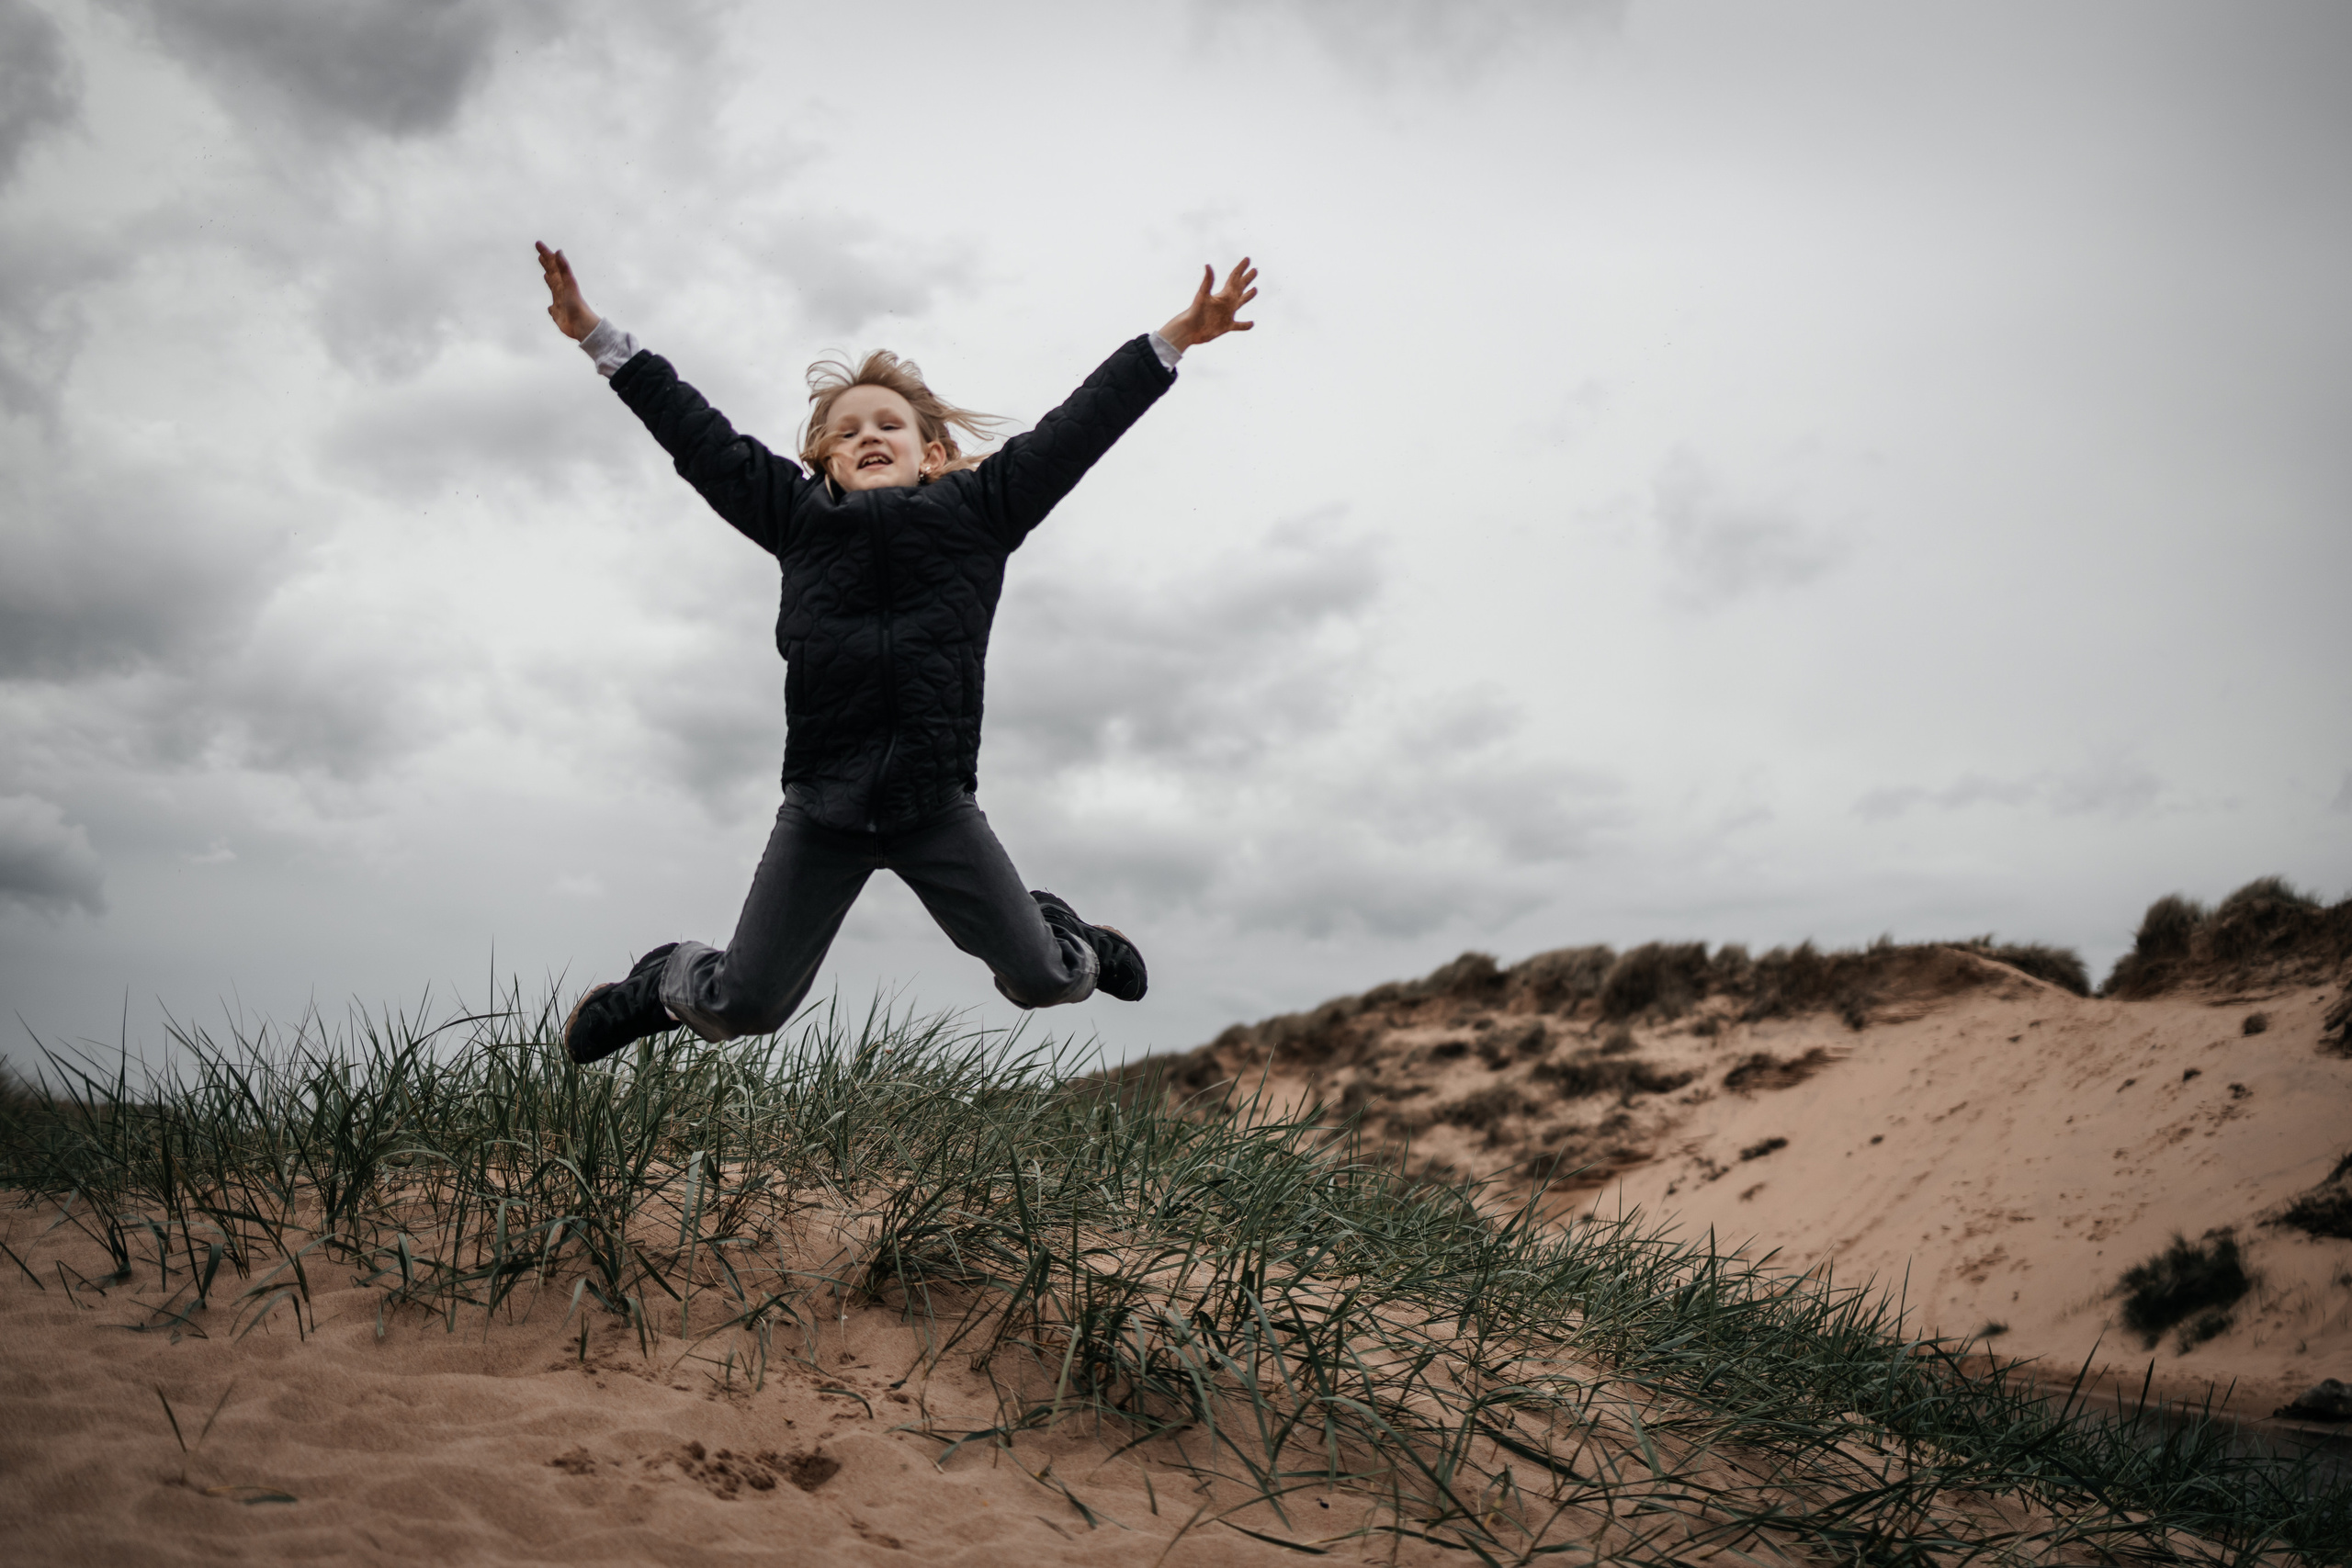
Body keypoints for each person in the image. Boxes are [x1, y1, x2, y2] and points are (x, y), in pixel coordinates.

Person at [535, 242, 1260, 1063]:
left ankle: (1069, 929)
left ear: (935, 455)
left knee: (1045, 976)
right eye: (845, 431)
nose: (867, 435)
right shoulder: (793, 517)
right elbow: (696, 434)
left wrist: (1172, 340)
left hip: (934, 807)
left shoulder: (982, 511)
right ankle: (659, 980)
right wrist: (598, 338)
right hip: (823, 809)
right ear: (822, 462)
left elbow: (1076, 429)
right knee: (745, 1003)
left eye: (889, 424)